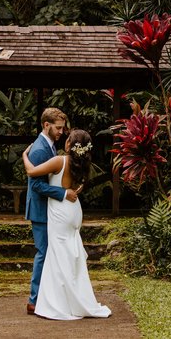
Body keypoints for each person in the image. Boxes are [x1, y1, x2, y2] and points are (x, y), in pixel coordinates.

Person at [22, 127, 112, 321]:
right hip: (73, 210)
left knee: (58, 254)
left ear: (70, 145)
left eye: (67, 138)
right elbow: (78, 187)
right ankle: (76, 297)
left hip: (60, 212)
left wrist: (24, 155)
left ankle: (60, 301)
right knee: (71, 254)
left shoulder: (60, 161)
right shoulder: (83, 165)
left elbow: (31, 172)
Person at [24, 107, 77, 315]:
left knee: (49, 253)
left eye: (63, 128)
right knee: (43, 253)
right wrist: (64, 194)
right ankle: (34, 300)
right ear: (46, 125)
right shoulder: (39, 150)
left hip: (49, 210)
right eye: (58, 128)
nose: (61, 132)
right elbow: (36, 185)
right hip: (40, 210)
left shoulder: (50, 146)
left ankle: (48, 297)